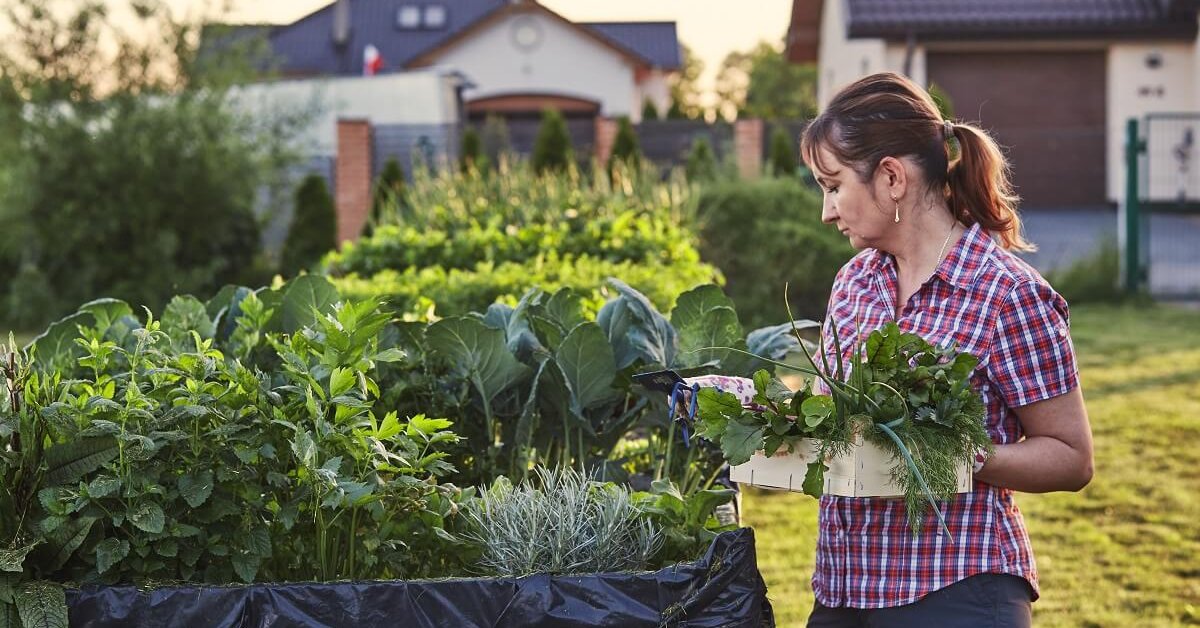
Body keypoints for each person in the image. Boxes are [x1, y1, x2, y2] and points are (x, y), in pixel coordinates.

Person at [685, 72, 1094, 627]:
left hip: (956, 587)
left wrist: (952, 457)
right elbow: (839, 425)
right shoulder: (855, 282)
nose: (827, 211)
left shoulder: (1007, 294)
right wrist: (762, 418)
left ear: (892, 178)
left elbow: (1071, 458)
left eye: (833, 186)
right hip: (846, 585)